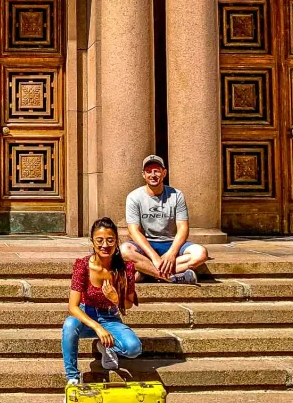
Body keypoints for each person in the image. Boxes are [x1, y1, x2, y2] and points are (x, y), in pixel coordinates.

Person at [61, 217, 143, 386]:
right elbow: (73, 307)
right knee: (69, 325)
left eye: (110, 240)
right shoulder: (82, 265)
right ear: (92, 241)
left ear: (116, 241)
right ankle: (72, 377)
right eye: (100, 240)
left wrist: (116, 299)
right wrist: (97, 328)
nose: (105, 245)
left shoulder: (125, 268)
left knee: (134, 348)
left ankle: (106, 346)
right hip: (86, 314)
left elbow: (127, 304)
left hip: (110, 317)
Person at [120, 155, 209, 284]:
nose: (153, 175)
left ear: (164, 173)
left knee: (201, 254)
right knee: (124, 251)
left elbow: (183, 228)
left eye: (156, 170)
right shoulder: (134, 197)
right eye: (149, 171)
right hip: (147, 244)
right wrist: (154, 257)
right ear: (143, 175)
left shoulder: (176, 195)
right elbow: (134, 231)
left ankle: (147, 272)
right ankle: (169, 276)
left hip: (171, 243)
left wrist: (172, 253)